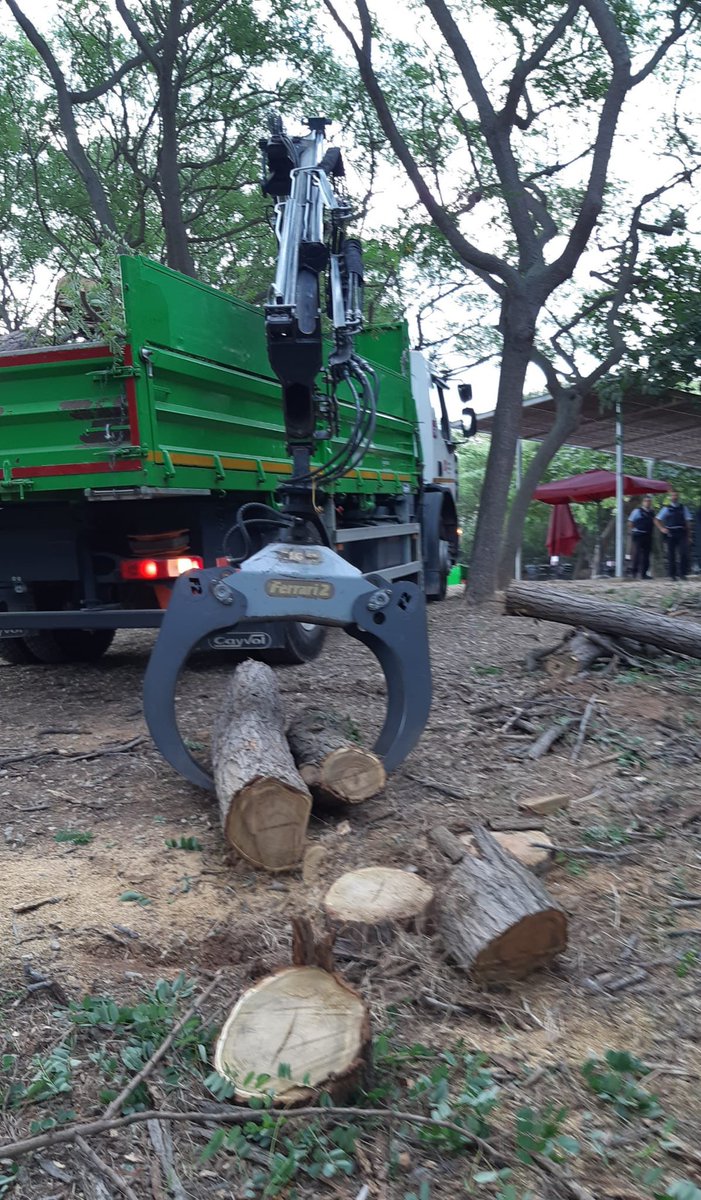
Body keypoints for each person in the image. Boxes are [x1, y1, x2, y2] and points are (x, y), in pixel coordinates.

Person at [655, 489, 693, 581]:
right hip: (670, 533)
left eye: (676, 495)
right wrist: (662, 529)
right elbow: (656, 520)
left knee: (683, 553)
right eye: (673, 495)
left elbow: (688, 522)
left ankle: (682, 574)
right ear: (670, 497)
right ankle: (672, 575)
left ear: (678, 497)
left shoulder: (683, 508)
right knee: (671, 554)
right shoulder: (666, 509)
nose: (674, 497)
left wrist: (689, 536)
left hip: (681, 532)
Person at [628, 496, 654, 579]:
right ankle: (634, 573)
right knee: (636, 554)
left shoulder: (652, 513)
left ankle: (644, 573)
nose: (647, 503)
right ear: (643, 502)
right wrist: (633, 531)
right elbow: (630, 522)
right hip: (638, 535)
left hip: (648, 535)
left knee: (646, 555)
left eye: (649, 501)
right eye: (646, 501)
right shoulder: (637, 511)